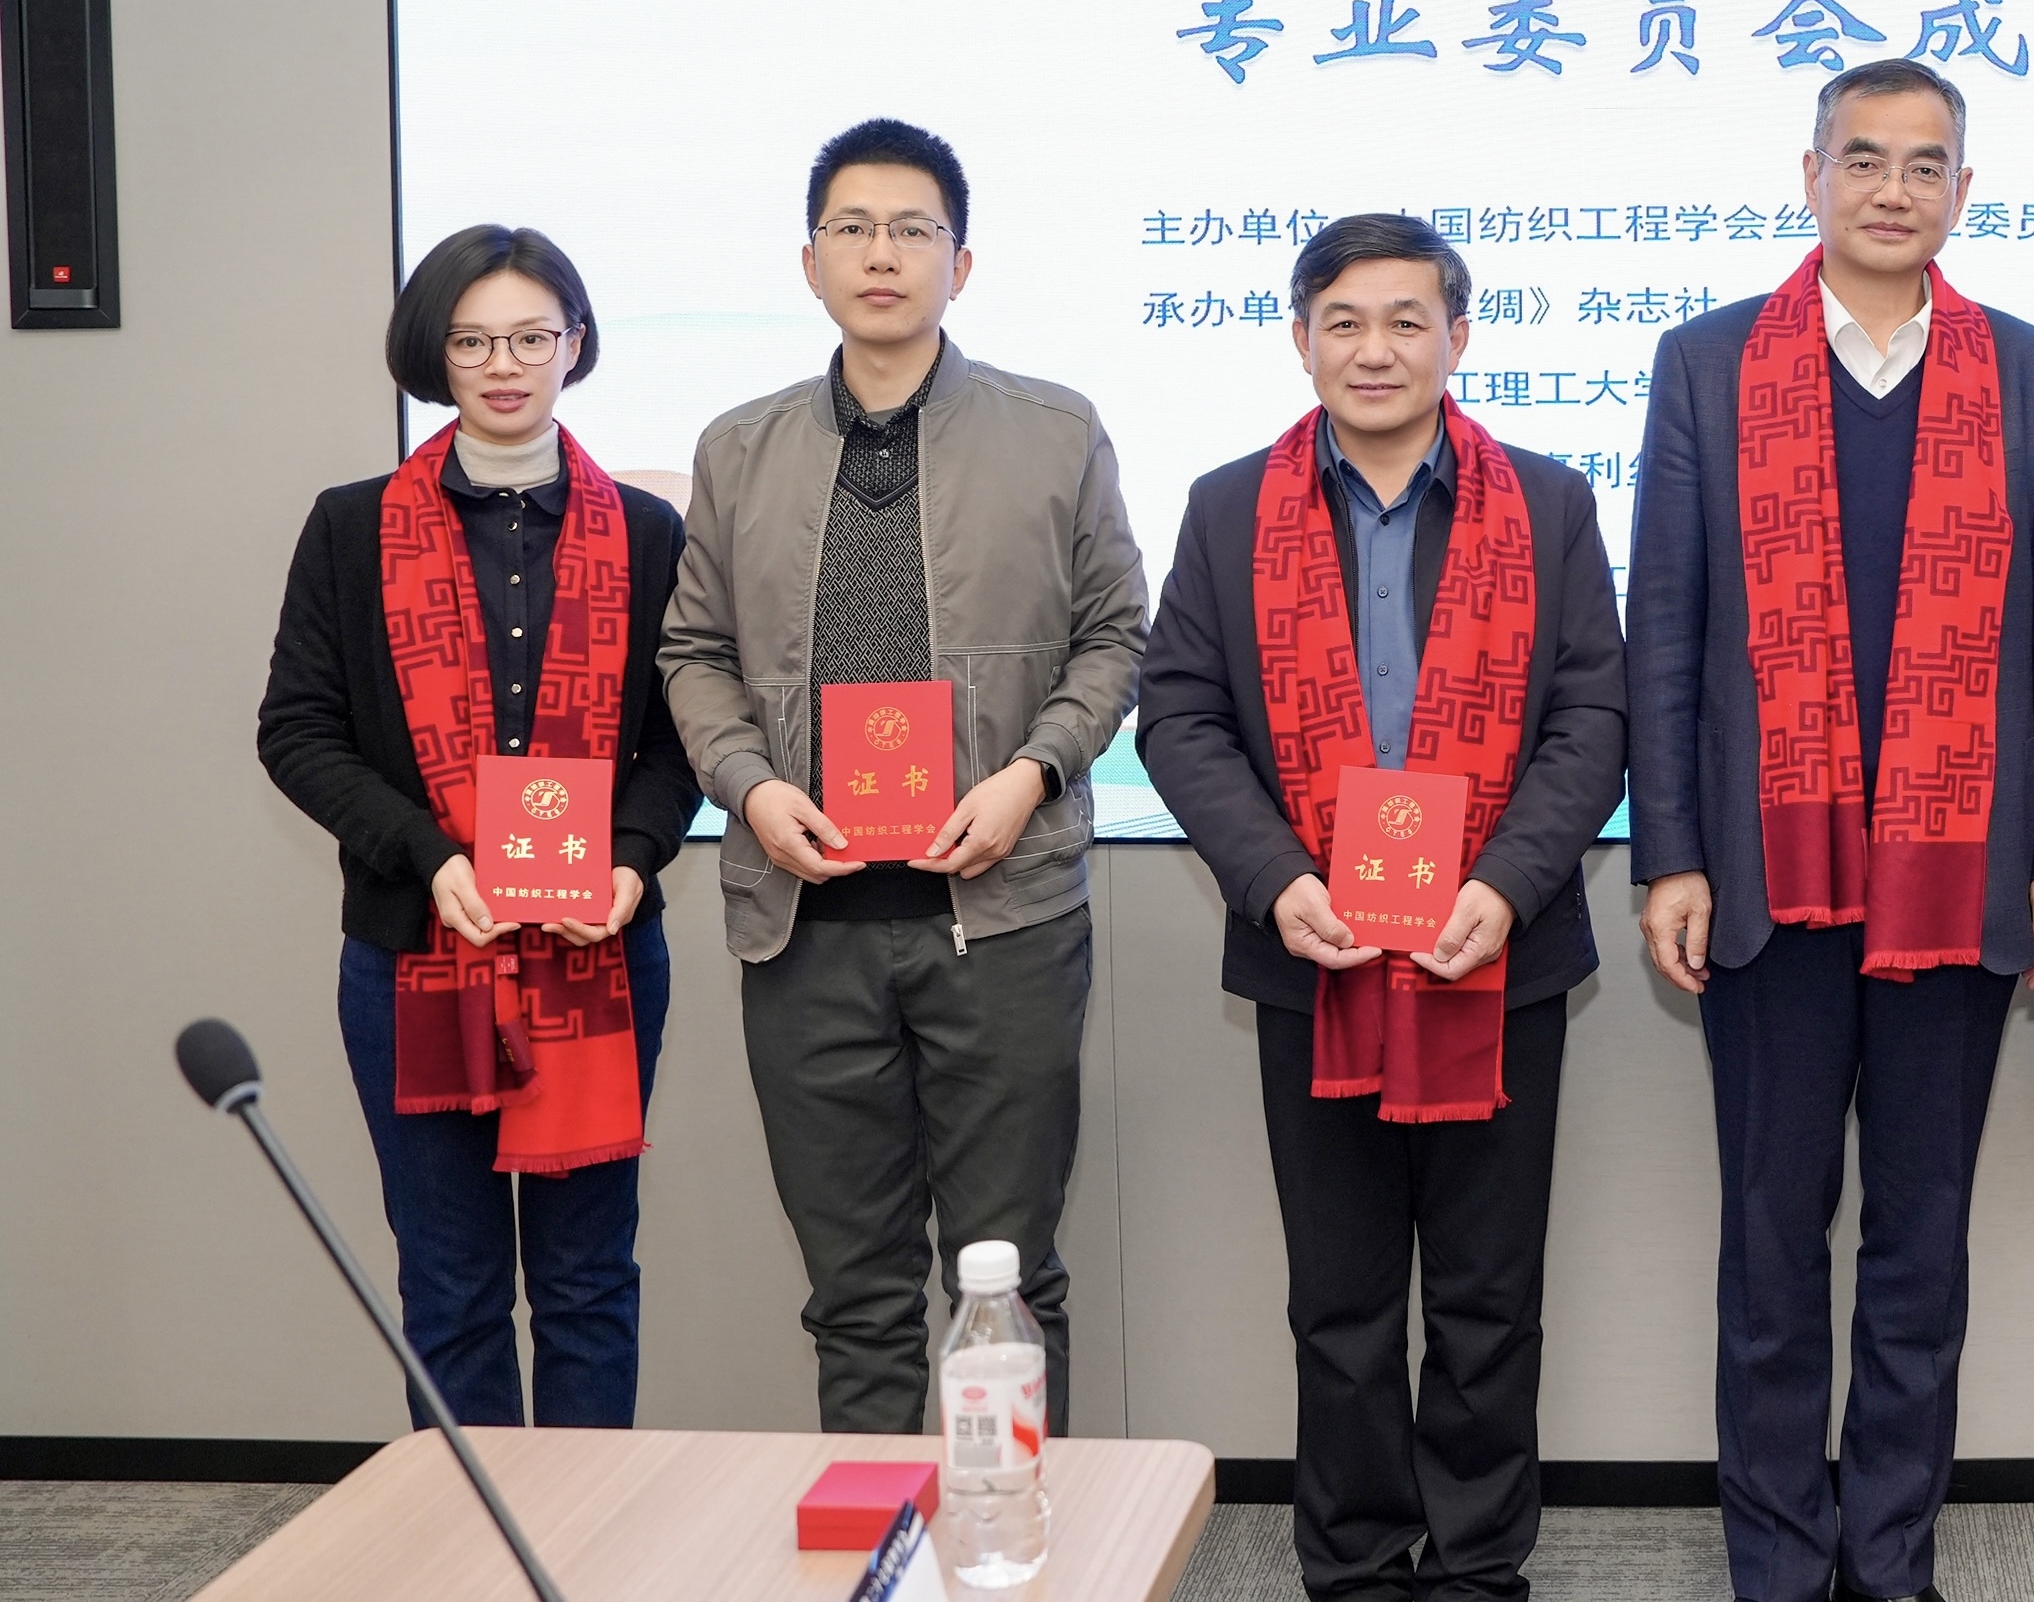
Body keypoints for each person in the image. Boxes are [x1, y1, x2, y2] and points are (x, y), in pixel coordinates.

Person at [1627, 56, 2034, 1602]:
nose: (1893, 188)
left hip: (1959, 883)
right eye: (1864, 158)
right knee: (1771, 1249)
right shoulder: (1706, 363)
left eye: (1924, 164)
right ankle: (1778, 1565)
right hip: (1766, 878)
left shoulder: (2029, 372)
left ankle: (1890, 1560)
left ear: (1964, 190)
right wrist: (1671, 854)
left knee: (1922, 1242)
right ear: (1811, 174)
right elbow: (1665, 630)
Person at [1138, 214, 1627, 1601]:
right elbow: (1179, 715)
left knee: (1488, 1295)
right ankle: (1353, 1561)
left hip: (1500, 952)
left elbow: (1594, 716)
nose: (1375, 349)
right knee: (1341, 1299)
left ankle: (1476, 1564)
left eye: (1408, 320)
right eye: (1343, 321)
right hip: (1316, 953)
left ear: (1458, 338)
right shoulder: (1228, 508)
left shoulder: (1550, 503)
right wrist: (1277, 880)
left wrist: (1504, 884)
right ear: (1300, 340)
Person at [657, 118, 1147, 1435]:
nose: (882, 254)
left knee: (1009, 1276)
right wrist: (749, 785)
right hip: (804, 924)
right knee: (855, 1292)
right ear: (809, 260)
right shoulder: (740, 447)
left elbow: (1116, 636)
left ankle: (1021, 1534)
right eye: (854, 229)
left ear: (961, 264)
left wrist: (1032, 773)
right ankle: (883, 1542)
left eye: (913, 230)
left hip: (1003, 919)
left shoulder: (1055, 431)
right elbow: (694, 651)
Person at [257, 224, 693, 1427]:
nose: (505, 365)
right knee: (449, 1286)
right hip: (416, 953)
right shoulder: (351, 527)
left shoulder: (647, 532)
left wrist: (632, 860)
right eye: (473, 341)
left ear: (576, 344)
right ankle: (471, 1528)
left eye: (531, 337)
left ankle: (584, 1528)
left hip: (598, 954)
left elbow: (681, 741)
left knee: (588, 1280)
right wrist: (429, 854)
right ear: (433, 353)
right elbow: (297, 730)